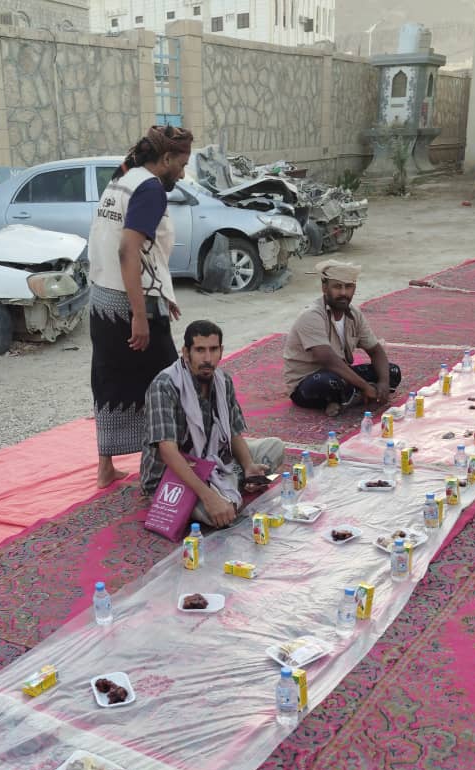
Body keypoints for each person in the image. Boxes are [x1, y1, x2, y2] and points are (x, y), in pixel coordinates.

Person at [88, 124, 193, 488]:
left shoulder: (124, 178)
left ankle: (105, 468)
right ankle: (166, 468)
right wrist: (139, 314)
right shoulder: (149, 189)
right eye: (181, 164)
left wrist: (163, 295)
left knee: (109, 380)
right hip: (128, 303)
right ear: (165, 158)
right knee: (168, 384)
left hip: (102, 296)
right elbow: (127, 250)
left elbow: (135, 249)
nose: (183, 173)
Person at [141, 320, 285, 528]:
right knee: (220, 515)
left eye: (213, 350)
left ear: (221, 351)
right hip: (173, 473)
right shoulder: (164, 386)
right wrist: (208, 497)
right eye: (200, 350)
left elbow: (233, 431)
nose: (207, 359)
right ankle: (225, 488)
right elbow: (168, 452)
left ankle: (237, 479)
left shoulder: (222, 380)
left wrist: (248, 465)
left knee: (275, 447)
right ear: (186, 352)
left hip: (213, 459)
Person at [284, 259, 401, 417]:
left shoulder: (354, 314)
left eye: (349, 286)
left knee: (392, 371)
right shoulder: (312, 316)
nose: (344, 293)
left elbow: (375, 351)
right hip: (308, 382)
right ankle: (357, 395)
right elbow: (328, 360)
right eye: (337, 287)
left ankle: (345, 399)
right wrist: (366, 387)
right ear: (324, 287)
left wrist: (384, 383)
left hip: (341, 373)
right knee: (329, 383)